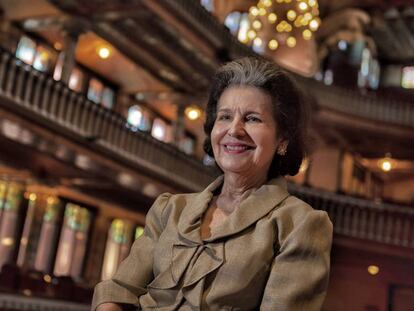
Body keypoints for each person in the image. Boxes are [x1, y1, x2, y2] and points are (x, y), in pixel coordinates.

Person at [92, 57, 333, 311]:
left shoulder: (300, 225)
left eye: (252, 119)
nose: (234, 130)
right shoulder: (169, 209)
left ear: (282, 139)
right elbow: (120, 289)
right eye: (225, 117)